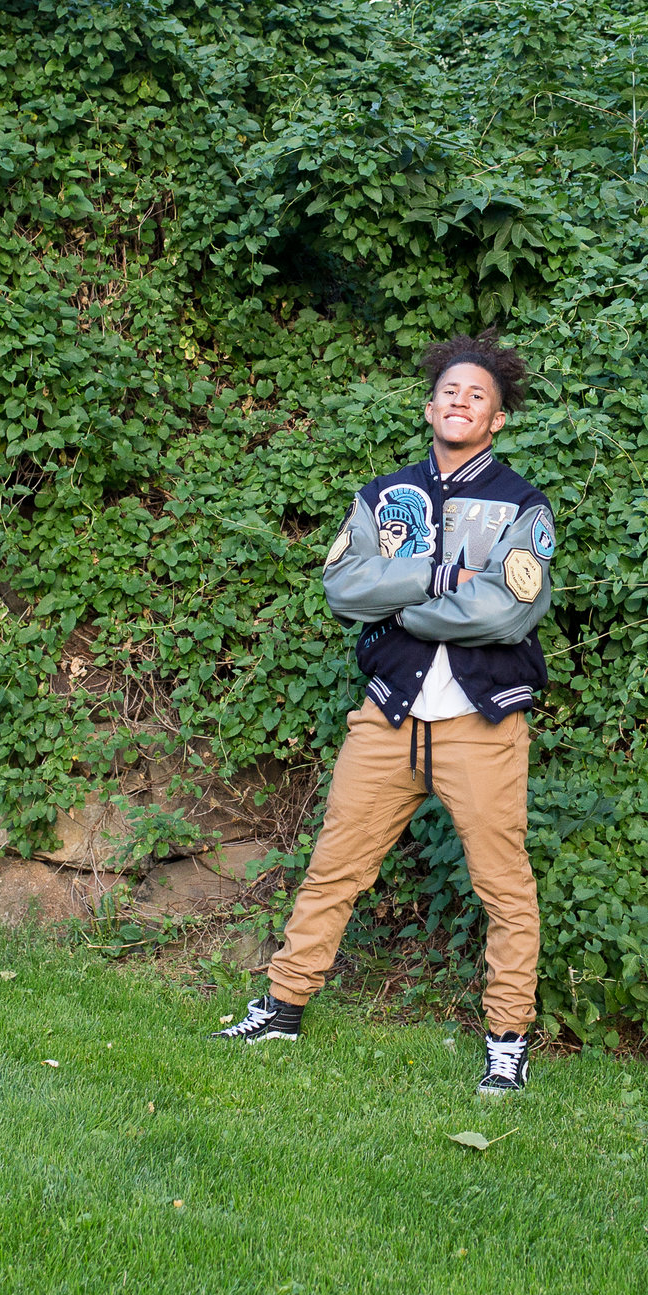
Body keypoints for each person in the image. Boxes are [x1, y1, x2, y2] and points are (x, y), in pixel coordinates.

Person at [217, 334, 555, 1095]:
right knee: (335, 863)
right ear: (429, 407)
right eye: (450, 392)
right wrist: (439, 576)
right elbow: (344, 588)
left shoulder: (521, 505)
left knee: (504, 884)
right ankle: (282, 1005)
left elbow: (509, 613)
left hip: (482, 722)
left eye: (478, 396)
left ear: (496, 419)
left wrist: (405, 607)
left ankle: (507, 1039)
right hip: (388, 715)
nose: (461, 403)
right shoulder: (382, 495)